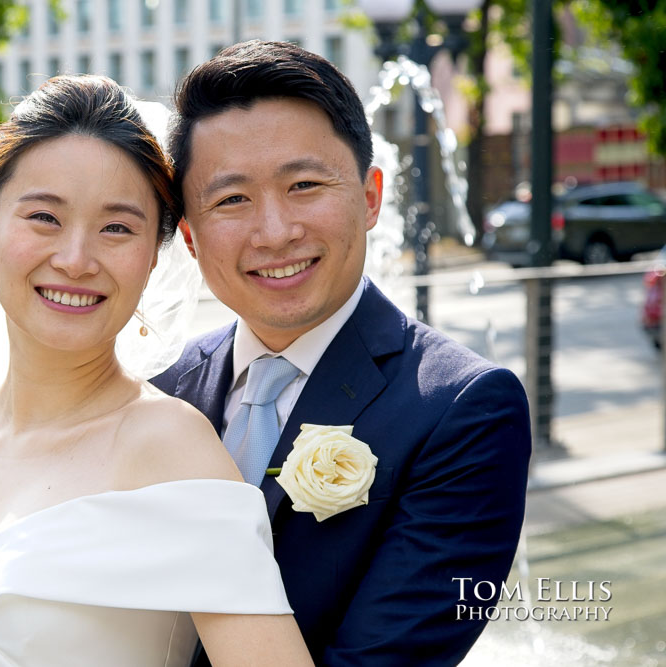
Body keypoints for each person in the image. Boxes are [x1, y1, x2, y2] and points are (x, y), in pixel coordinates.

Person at [0, 74, 314, 667]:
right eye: (45, 217)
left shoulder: (169, 448)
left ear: (153, 259)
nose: (75, 259)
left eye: (117, 227)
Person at [151, 40, 532, 666]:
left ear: (371, 196)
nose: (275, 232)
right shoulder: (163, 389)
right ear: (190, 237)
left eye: (304, 184)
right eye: (231, 200)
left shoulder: (465, 409)